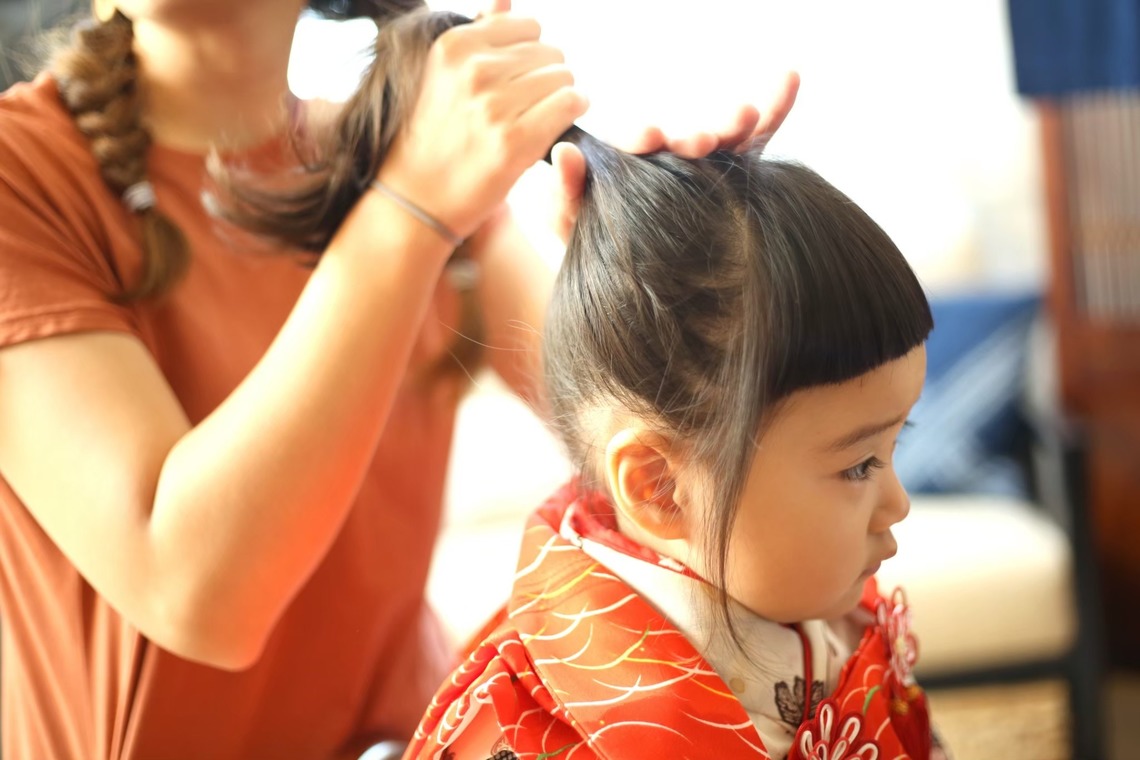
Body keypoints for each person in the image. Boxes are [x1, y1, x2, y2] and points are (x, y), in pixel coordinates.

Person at [0, 0, 797, 758]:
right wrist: (409, 206)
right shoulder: (22, 176)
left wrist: (688, 244)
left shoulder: (403, 148)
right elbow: (193, 594)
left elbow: (663, 446)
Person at [226, 11, 950, 759]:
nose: (896, 500)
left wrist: (702, 273)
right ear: (659, 489)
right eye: (860, 463)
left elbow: (633, 385)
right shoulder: (537, 734)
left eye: (895, 445)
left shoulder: (822, 615)